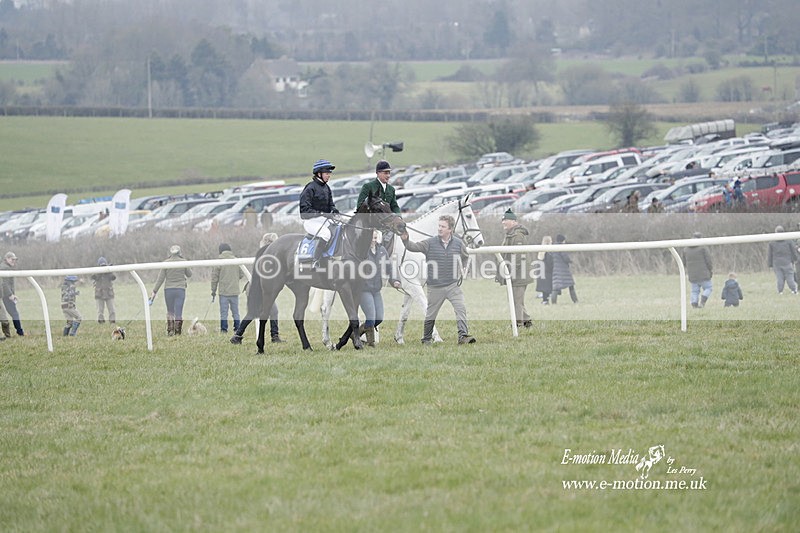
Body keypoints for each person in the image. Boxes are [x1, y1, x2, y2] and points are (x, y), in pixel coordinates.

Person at [400, 214, 476, 345]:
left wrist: (464, 269)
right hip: (435, 287)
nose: (440, 228)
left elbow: (465, 257)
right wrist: (406, 241)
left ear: (450, 229)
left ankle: (463, 336)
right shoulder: (430, 243)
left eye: (443, 226)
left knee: (461, 309)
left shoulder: (458, 243)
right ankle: (426, 339)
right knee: (431, 314)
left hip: (453, 285)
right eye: (439, 226)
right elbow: (413, 247)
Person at [230, 232, 284, 345]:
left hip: (258, 288)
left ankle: (274, 335)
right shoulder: (268, 255)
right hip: (259, 289)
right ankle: (238, 335)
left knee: (270, 311)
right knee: (258, 312)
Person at [358, 230, 401, 346]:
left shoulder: (382, 250)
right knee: (371, 318)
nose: (374, 239)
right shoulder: (361, 251)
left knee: (379, 318)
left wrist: (395, 280)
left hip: (376, 289)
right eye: (372, 237)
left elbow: (389, 267)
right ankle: (370, 343)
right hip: (364, 289)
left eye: (375, 237)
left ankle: (356, 334)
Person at [495, 209, 532, 328]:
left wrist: (509, 273)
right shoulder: (510, 235)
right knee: (518, 300)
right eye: (503, 220)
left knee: (516, 301)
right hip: (515, 274)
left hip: (518, 275)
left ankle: (518, 324)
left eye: (506, 220)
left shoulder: (517, 236)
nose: (503, 222)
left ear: (514, 222)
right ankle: (527, 322)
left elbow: (518, 257)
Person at [299, 159, 339, 265]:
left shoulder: (327, 188)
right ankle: (316, 260)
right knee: (326, 234)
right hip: (311, 221)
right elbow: (304, 212)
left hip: (323, 220)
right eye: (327, 173)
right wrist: (320, 213)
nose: (329, 175)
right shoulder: (310, 188)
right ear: (319, 173)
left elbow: (331, 205)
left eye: (329, 173)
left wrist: (334, 210)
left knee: (339, 228)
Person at [150, 244, 192, 336]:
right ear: (180, 252)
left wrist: (154, 291)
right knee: (179, 311)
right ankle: (178, 332)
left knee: (170, 311)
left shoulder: (166, 263)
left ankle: (170, 330)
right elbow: (189, 274)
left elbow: (160, 279)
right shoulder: (184, 262)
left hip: (168, 290)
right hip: (180, 289)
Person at [211, 243, 244, 333]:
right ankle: (238, 328)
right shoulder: (236, 260)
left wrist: (213, 291)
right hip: (234, 291)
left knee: (224, 313)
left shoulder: (219, 261)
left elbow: (214, 278)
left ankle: (224, 329)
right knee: (236, 313)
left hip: (223, 292)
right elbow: (241, 274)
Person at [682, 232, 713, 308]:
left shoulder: (686, 249)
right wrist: (710, 270)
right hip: (703, 273)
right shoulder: (703, 248)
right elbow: (708, 261)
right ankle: (702, 301)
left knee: (694, 291)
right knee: (708, 288)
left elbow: (684, 262)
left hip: (692, 274)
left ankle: (694, 304)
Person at [767, 225, 798, 295]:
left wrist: (770, 264)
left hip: (777, 263)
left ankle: (780, 291)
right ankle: (793, 290)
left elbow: (770, 254)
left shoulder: (772, 242)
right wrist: (795, 259)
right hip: (787, 261)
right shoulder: (788, 241)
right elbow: (793, 251)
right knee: (790, 276)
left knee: (779, 277)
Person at [1, 251, 24, 336]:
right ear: (6, 259)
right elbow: (4, 283)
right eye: (12, 259)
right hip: (5, 295)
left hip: (4, 294)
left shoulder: (5, 267)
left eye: (15, 259)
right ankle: (20, 332)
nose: (14, 261)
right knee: (14, 313)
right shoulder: (5, 268)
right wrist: (10, 294)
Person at [551, 234, 578, 304]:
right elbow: (565, 258)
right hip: (564, 269)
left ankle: (553, 302)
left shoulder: (552, 247)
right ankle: (575, 300)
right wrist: (570, 261)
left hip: (556, 269)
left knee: (556, 287)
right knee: (571, 285)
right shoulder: (562, 247)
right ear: (562, 240)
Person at [91, 256, 116, 324]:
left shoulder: (109, 272)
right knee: (100, 311)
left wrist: (109, 270)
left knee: (112, 310)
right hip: (99, 294)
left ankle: (112, 322)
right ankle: (101, 322)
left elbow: (113, 277)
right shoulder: (96, 272)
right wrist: (100, 271)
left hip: (109, 293)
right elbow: (93, 277)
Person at [535, 235, 553, 305]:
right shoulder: (549, 252)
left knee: (544, 288)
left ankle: (544, 299)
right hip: (547, 272)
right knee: (547, 287)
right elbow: (550, 263)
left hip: (541, 272)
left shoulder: (541, 251)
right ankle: (546, 299)